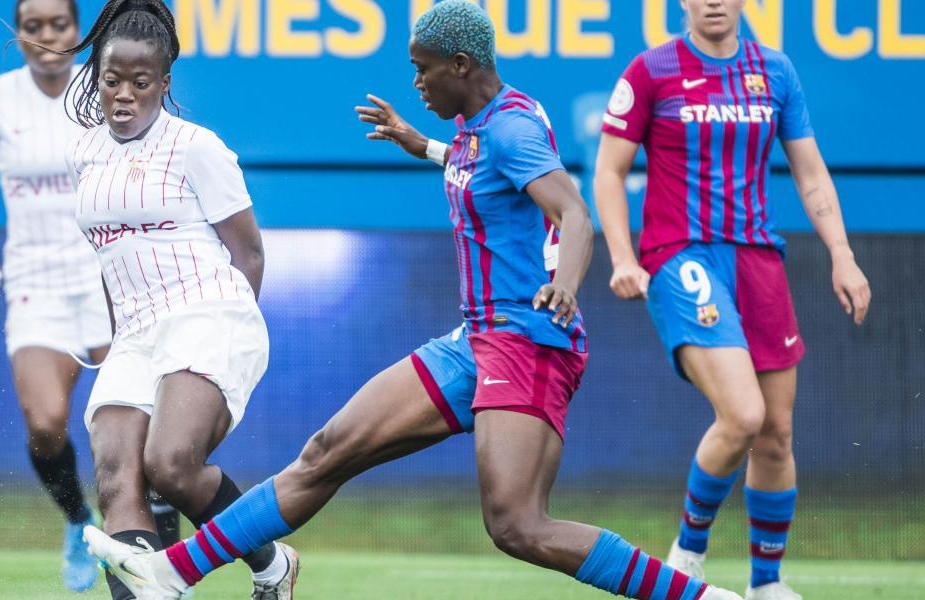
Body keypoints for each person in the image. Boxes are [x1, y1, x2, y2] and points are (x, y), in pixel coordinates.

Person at [82, 2, 742, 599]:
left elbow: (573, 213)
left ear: (461, 65)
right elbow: (473, 162)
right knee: (326, 450)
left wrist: (565, 286)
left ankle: (698, 597)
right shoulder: (482, 127)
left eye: (423, 71)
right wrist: (419, 142)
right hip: (473, 341)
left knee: (517, 525)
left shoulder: (511, 131)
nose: (417, 83)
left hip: (530, 340)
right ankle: (175, 571)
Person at [593, 1, 871, 598]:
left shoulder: (776, 71)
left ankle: (766, 585)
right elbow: (609, 172)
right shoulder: (650, 70)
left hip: (758, 260)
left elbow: (811, 172)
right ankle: (687, 555)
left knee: (775, 431)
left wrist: (842, 254)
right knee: (743, 415)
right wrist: (622, 256)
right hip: (680, 255)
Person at [54, 1, 296, 598]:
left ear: (164, 83)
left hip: (208, 314)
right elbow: (111, 262)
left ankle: (272, 566)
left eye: (141, 83)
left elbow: (250, 254)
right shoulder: (84, 152)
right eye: (112, 81)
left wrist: (230, 346)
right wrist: (117, 341)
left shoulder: (195, 147)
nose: (124, 95)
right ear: (96, 80)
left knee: (170, 465)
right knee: (115, 479)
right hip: (135, 335)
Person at [0, 0, 185, 592]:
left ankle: (147, 527)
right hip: (36, 285)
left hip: (113, 281)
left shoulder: (104, 88)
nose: (46, 35)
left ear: (77, 29)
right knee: (46, 422)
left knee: (134, 423)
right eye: (33, 26)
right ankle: (78, 520)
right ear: (19, 32)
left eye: (58, 24)